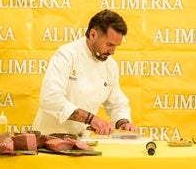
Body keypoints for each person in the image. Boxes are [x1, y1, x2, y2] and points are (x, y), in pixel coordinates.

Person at [32, 9, 136, 137]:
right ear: (93, 34)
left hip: (82, 143)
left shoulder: (111, 66)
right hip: (49, 140)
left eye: (116, 46)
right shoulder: (67, 55)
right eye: (109, 44)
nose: (112, 51)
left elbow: (117, 105)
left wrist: (123, 122)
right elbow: (50, 99)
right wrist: (91, 119)